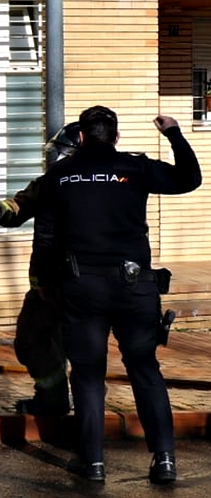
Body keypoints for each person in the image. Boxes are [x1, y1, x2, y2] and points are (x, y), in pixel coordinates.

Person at [35, 106, 201, 484]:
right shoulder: (134, 167)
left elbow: (44, 237)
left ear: (80, 137)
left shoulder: (58, 175)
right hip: (135, 288)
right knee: (144, 370)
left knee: (89, 376)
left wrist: (44, 283)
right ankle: (164, 460)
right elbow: (190, 178)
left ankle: (93, 463)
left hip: (82, 289)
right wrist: (173, 133)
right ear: (115, 136)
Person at [0, 121, 81, 417]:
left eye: (63, 153)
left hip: (76, 283)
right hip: (51, 285)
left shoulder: (102, 185)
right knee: (33, 340)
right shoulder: (48, 183)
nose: (57, 159)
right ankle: (54, 398)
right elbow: (16, 210)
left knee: (78, 348)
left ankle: (78, 408)